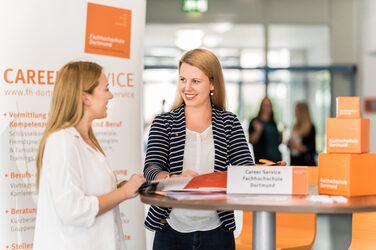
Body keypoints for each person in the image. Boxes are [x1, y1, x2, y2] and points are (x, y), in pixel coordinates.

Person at [143, 48, 254, 250]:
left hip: (217, 232)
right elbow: (151, 170)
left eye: (195, 81)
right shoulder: (163, 123)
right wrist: (174, 179)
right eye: (183, 79)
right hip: (170, 229)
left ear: (212, 83)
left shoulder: (229, 123)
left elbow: (245, 168)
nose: (187, 87)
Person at [33, 61, 145, 250]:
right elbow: (72, 210)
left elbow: (89, 191)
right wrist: (123, 193)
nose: (111, 95)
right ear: (86, 97)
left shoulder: (86, 140)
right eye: (106, 89)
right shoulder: (62, 141)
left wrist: (123, 188)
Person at [248, 97, 282, 164]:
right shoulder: (255, 121)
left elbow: (277, 142)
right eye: (265, 105)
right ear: (261, 107)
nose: (267, 108)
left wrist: (281, 134)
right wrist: (258, 131)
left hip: (277, 158)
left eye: (269, 105)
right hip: (263, 160)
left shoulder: (273, 122)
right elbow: (251, 140)